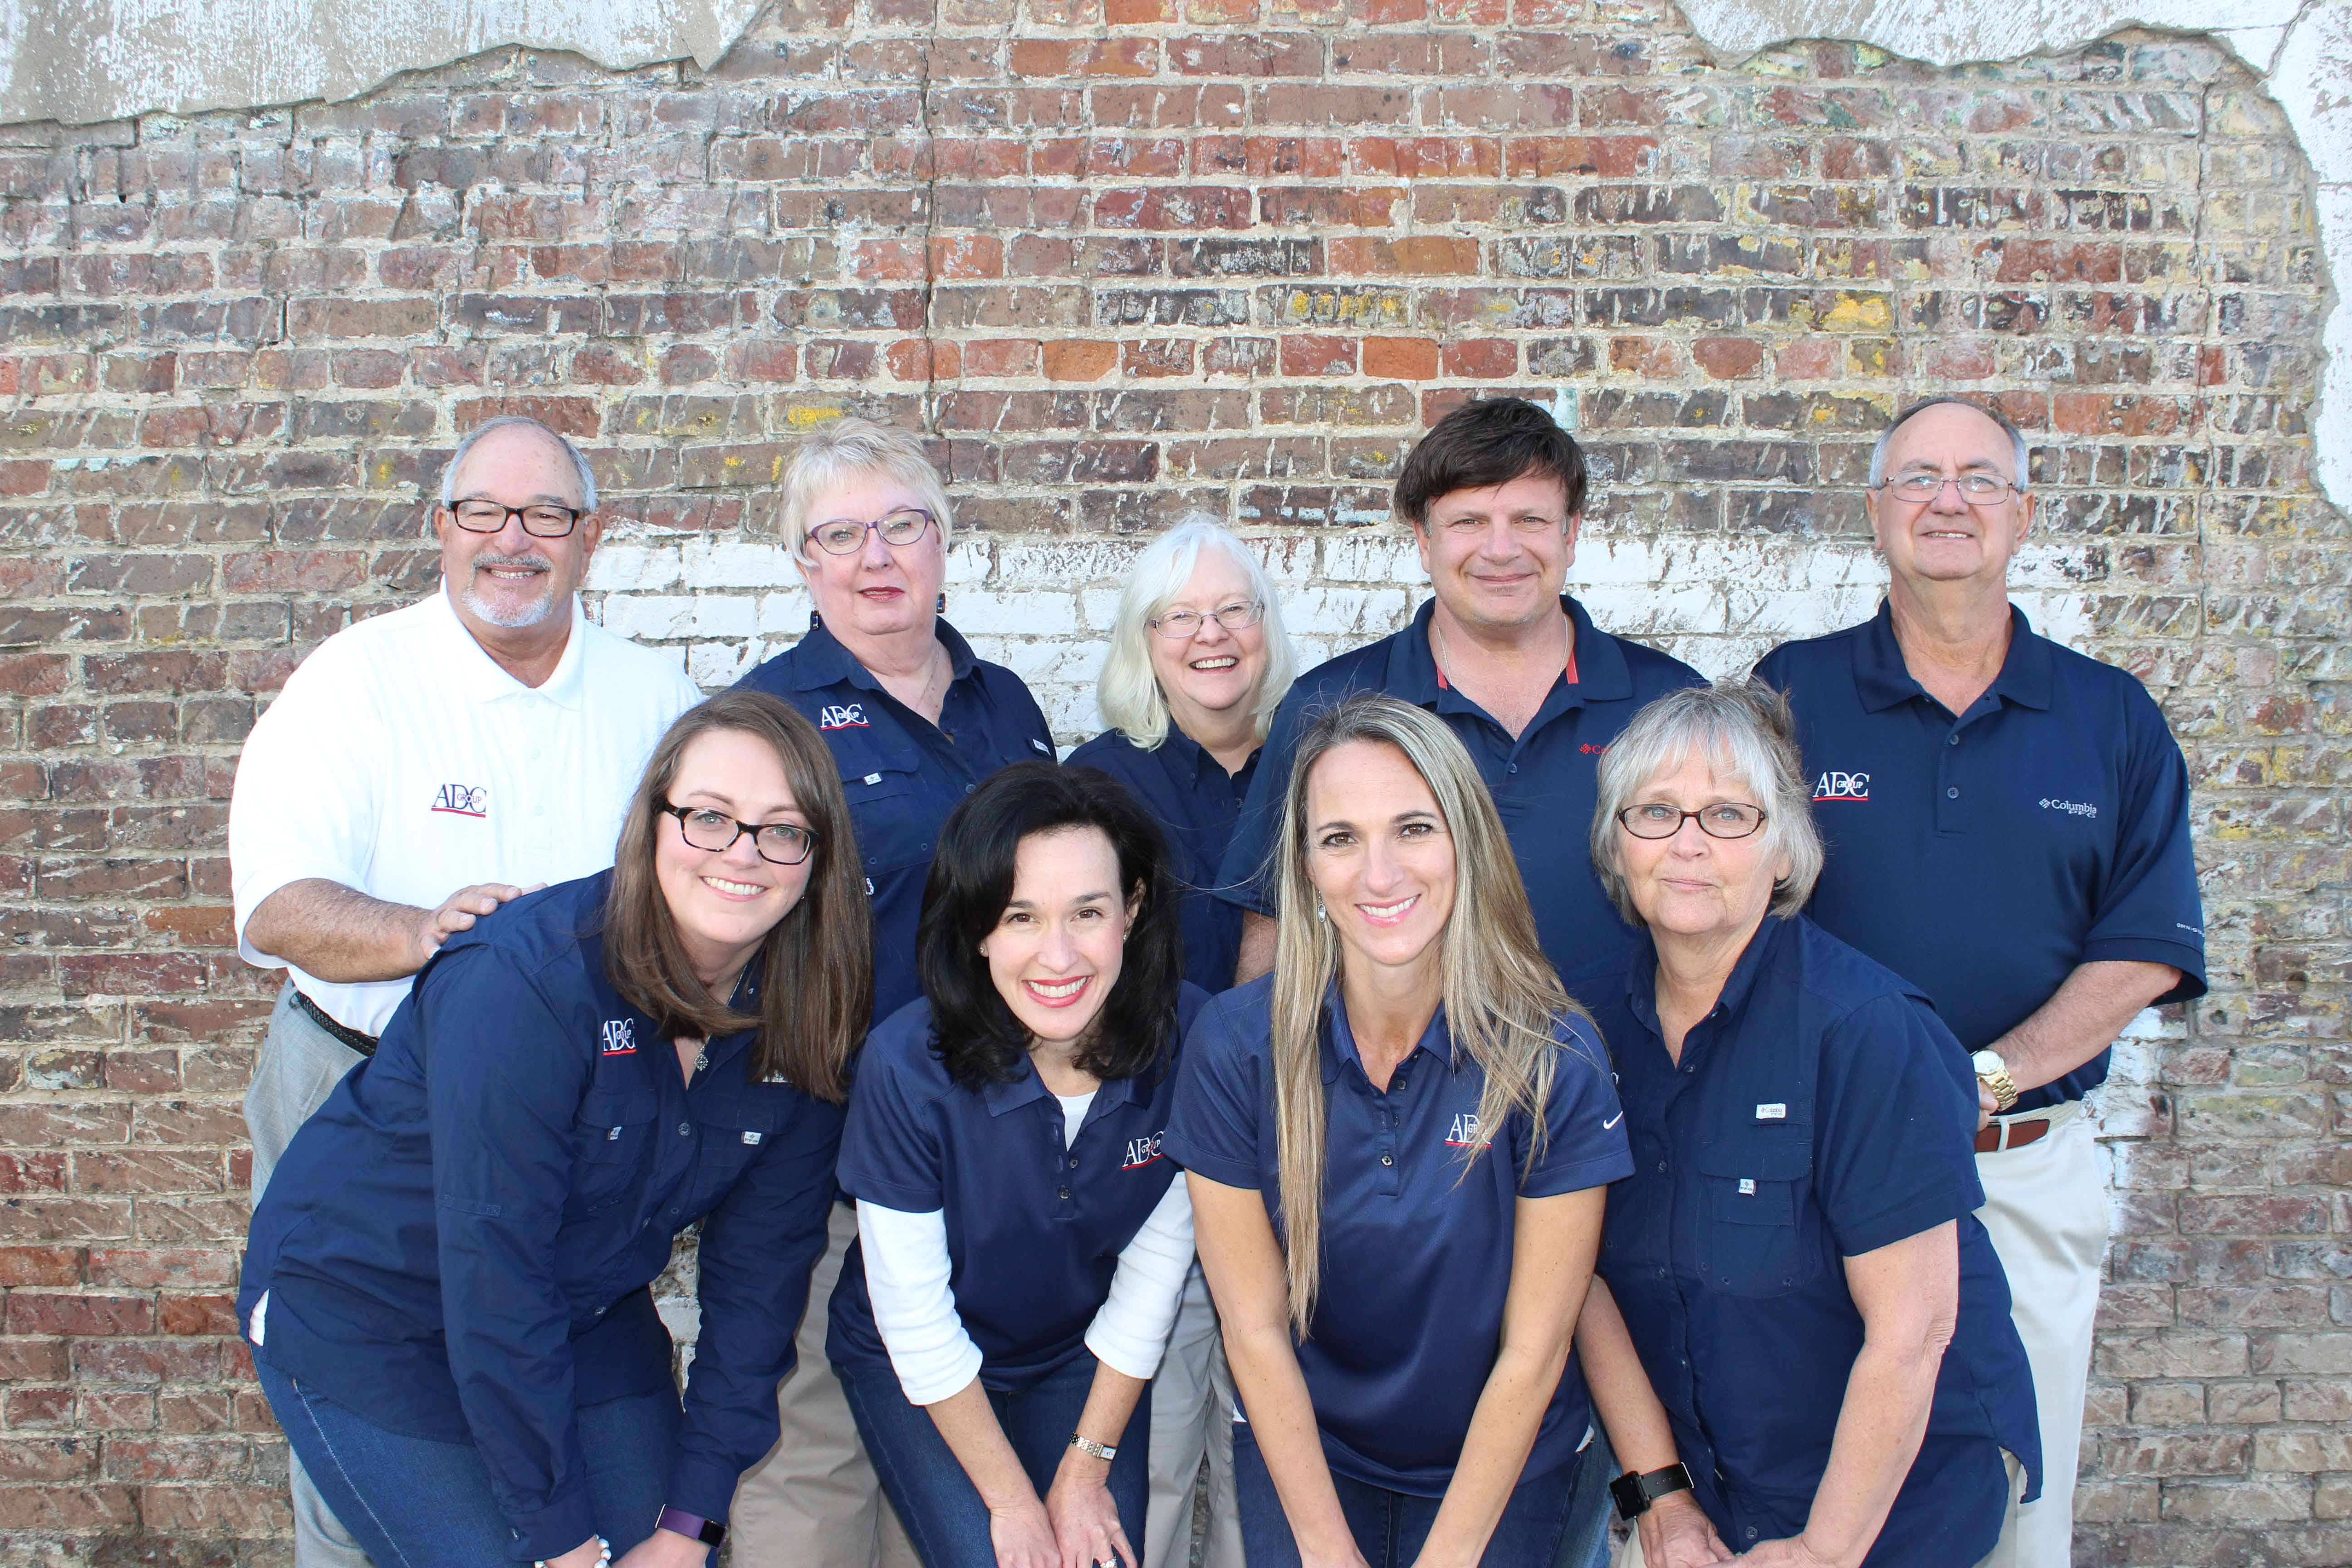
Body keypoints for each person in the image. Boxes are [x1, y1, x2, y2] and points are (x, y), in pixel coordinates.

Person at [237, 690, 868, 1568]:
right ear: (650, 823)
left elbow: (758, 1289)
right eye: (709, 818)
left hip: (582, 1314)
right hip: (374, 1316)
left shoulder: (804, 1018)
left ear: (815, 860)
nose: (743, 855)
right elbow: (496, 1276)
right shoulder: (523, 983)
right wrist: (560, 1542)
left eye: (783, 830)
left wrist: (693, 1527)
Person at [228, 414, 701, 1564]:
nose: (513, 540)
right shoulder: (358, 679)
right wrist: (425, 933)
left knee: (563, 1422)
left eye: (547, 515)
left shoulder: (657, 700)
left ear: (593, 539)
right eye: (483, 512)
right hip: (360, 1094)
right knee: (364, 1458)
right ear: (440, 528)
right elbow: (275, 903)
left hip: (578, 1127)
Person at [1753, 397, 2205, 1568]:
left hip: (2020, 1174)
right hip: (1823, 1175)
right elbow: (1730, 912)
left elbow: (2149, 945)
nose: (1947, 500)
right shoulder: (1790, 696)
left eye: (1977, 479)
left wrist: (1979, 1080)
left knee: (2017, 1513)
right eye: (1917, 478)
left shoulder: (2110, 716)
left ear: (2022, 514)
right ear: (1875, 512)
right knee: (1826, 1500)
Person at [1571, 680, 2041, 1568]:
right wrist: (1660, 1491)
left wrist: (1826, 1551)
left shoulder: (1866, 1031)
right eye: (1657, 813)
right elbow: (1581, 1279)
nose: (1688, 845)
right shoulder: (1588, 1035)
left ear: (1783, 851)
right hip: (1711, 1498)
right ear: (1615, 844)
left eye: (1728, 817)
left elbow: (1916, 1330)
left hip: (1904, 1508)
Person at [1169, 693, 1632, 1568]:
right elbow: (1256, 1327)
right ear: (1304, 867)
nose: (1379, 875)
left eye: (1414, 829)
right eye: (1340, 838)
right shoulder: (1236, 1047)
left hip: (1507, 1459)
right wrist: (1325, 1549)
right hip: (1312, 1449)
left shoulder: (1552, 1056)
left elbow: (1534, 1353)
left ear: (1468, 842)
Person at [730, 418, 1056, 1568]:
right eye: (841, 534)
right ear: (806, 564)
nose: (877, 556)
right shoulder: (763, 724)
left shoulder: (1005, 703)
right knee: (813, 1453)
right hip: (825, 1152)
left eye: (902, 526)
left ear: (944, 540)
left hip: (989, 1154)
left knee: (954, 1446)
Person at [829, 762, 1205, 1568]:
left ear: (1133, 911)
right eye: (1020, 916)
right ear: (977, 928)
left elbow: (1152, 1277)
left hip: (1081, 1354)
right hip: (920, 1360)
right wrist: (1012, 1506)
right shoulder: (907, 1065)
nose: (1058, 956)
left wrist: (1083, 1471)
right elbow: (917, 1324)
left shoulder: (1190, 1045)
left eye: (1089, 913)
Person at [1219, 396, 1705, 1004]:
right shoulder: (1329, 706)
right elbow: (1274, 918)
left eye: (1529, 520)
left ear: (1571, 532)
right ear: (1424, 539)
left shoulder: (1670, 702)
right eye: (1469, 522)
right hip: (1397, 1091)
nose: (1500, 550)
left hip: (1632, 1084)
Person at [1067, 514, 1297, 1568]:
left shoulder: (1320, 760)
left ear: (1266, 626)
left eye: (1232, 610)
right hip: (1150, 1165)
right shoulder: (1100, 781)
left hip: (1298, 1168)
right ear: (1143, 641)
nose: (1210, 636)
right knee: (1153, 1467)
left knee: (1272, 1466)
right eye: (1178, 617)